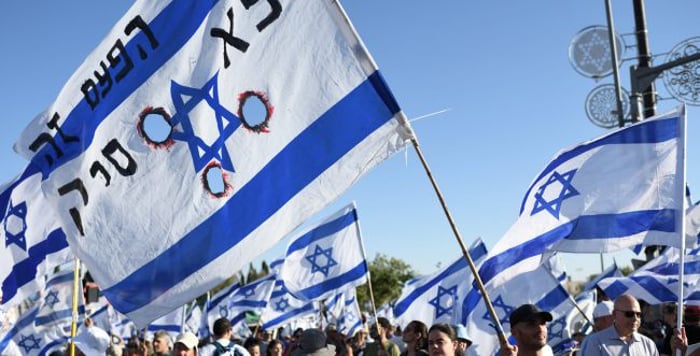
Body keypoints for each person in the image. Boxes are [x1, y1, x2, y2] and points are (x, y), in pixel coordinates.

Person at [580, 294, 658, 355]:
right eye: (629, 314)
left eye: (638, 314)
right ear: (614, 314)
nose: (635, 319)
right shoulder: (596, 342)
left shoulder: (648, 344)